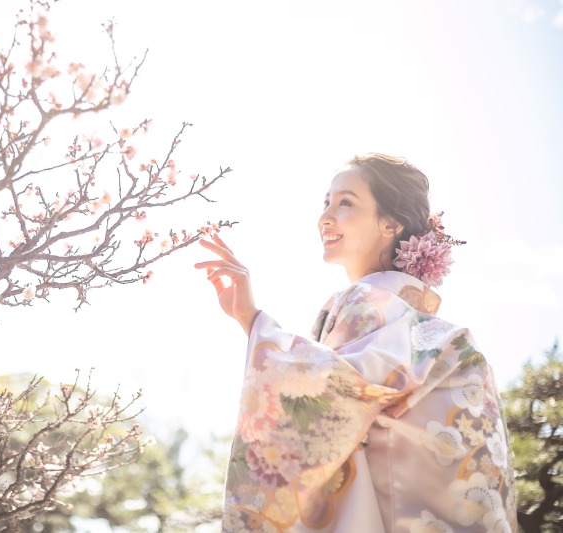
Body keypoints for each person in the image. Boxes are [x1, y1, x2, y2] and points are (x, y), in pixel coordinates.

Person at [195, 154, 517, 533]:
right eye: (326, 202)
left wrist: (252, 320)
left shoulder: (366, 302)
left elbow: (334, 393)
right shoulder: (435, 332)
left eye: (345, 202)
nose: (325, 217)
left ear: (390, 223)